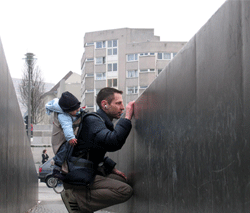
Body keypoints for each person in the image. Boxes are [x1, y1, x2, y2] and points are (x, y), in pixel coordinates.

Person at [61, 87, 135, 213]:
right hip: (79, 174)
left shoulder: (100, 122)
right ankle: (76, 199)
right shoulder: (93, 120)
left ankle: (82, 200)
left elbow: (91, 151)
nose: (122, 107)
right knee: (125, 191)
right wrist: (127, 117)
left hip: (84, 170)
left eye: (122, 103)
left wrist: (111, 168)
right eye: (118, 103)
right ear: (104, 104)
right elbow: (113, 142)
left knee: (122, 180)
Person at [45, 91, 82, 180]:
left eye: (78, 108)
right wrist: (71, 138)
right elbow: (67, 127)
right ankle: (57, 167)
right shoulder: (63, 116)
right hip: (60, 141)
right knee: (67, 147)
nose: (78, 111)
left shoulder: (66, 110)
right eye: (76, 110)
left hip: (61, 138)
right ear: (68, 110)